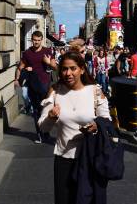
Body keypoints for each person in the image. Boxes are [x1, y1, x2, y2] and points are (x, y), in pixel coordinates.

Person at [38, 52, 110, 204]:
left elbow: (107, 121)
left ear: (82, 69)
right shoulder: (55, 91)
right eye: (64, 69)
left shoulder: (95, 91)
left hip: (90, 158)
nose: (68, 73)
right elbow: (43, 128)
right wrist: (51, 117)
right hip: (64, 159)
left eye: (73, 68)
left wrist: (96, 126)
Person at [15, 31, 57, 144]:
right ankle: (40, 134)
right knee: (36, 111)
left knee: (45, 109)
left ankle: (46, 132)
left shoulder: (47, 51)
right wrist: (17, 78)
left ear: (41, 40)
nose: (36, 42)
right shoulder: (27, 53)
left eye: (38, 40)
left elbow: (55, 67)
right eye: (34, 40)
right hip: (33, 84)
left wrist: (48, 62)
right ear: (31, 40)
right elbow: (20, 67)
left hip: (45, 84)